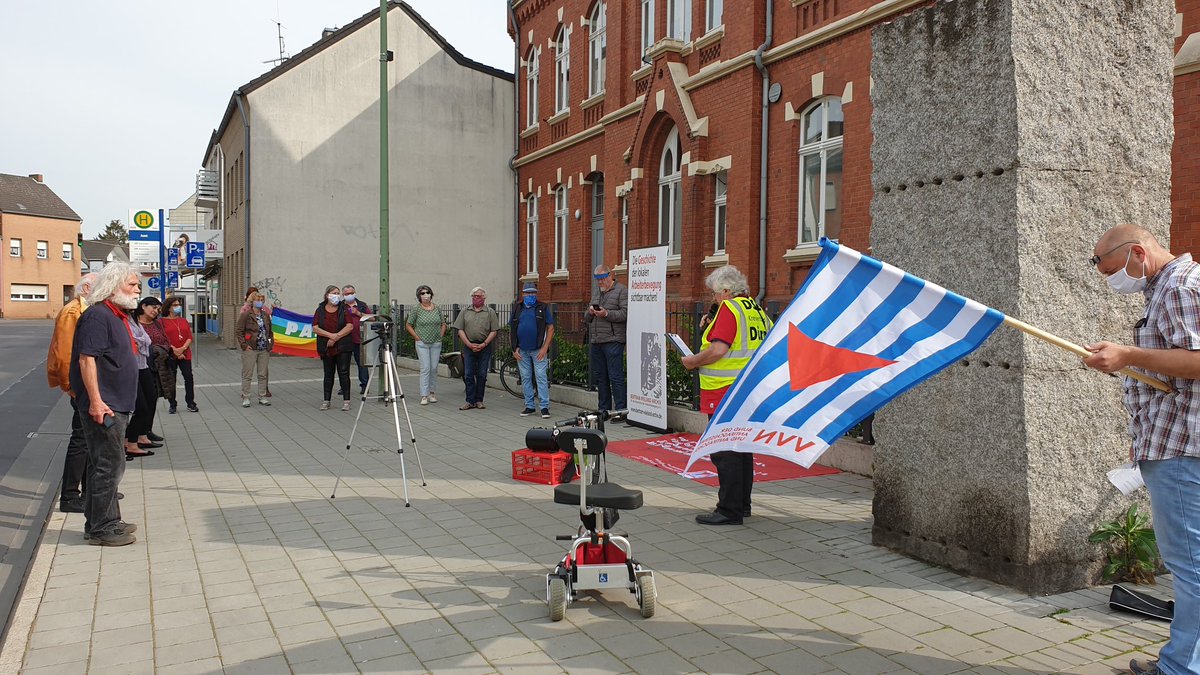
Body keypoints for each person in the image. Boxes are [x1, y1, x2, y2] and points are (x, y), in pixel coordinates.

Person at [1082, 224, 1200, 675]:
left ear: (1137, 252)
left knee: (1191, 571)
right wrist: (1127, 365)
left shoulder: (1182, 287)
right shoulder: (1169, 288)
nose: (1113, 281)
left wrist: (1129, 355)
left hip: (1182, 452)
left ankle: (1182, 669)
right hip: (1176, 447)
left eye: (1112, 271)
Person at [682, 266, 773, 526]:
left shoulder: (729, 309)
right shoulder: (756, 309)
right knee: (742, 449)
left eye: (714, 293)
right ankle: (742, 505)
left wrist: (692, 361)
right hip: (747, 388)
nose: (713, 299)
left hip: (724, 390)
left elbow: (719, 350)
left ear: (725, 290)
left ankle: (729, 509)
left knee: (724, 450)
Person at [68, 262, 141, 546]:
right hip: (105, 404)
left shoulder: (116, 314)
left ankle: (108, 520)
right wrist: (96, 402)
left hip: (117, 402)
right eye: (132, 284)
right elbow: (87, 359)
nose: (137, 289)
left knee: (109, 463)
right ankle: (101, 528)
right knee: (108, 465)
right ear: (113, 286)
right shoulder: (98, 316)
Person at [46, 272, 98, 513]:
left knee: (91, 441)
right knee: (81, 440)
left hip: (88, 385)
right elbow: (65, 353)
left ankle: (91, 490)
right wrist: (71, 386)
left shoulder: (88, 310)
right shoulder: (72, 312)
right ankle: (69, 496)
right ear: (86, 288)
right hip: (80, 387)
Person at [586, 265, 628, 414]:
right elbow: (586, 318)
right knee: (601, 377)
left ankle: (621, 410)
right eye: (597, 279)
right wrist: (591, 312)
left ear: (610, 275)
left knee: (615, 376)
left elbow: (625, 314)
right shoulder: (597, 292)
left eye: (603, 278)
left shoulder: (621, 290)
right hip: (597, 340)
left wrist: (606, 314)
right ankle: (603, 410)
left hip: (613, 340)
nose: (600, 282)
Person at [124, 298, 163, 460]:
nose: (156, 311)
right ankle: (130, 442)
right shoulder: (125, 320)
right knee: (141, 407)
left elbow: (145, 341)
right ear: (143, 306)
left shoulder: (135, 321)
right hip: (132, 368)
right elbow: (135, 341)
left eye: (158, 309)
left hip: (143, 365)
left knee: (151, 399)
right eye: (153, 308)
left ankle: (141, 436)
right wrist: (141, 341)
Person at [510, 282, 555, 419]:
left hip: (538, 350)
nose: (531, 295)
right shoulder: (517, 307)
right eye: (528, 293)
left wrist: (545, 347)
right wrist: (513, 348)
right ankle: (529, 406)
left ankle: (544, 407)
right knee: (526, 378)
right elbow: (512, 328)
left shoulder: (542, 307)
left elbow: (551, 328)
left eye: (533, 293)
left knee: (541, 377)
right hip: (522, 350)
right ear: (523, 294)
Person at [452, 286, 500, 410]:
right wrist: (468, 344)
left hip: (484, 346)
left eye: (478, 296)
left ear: (483, 298)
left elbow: (494, 331)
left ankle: (479, 400)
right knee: (468, 374)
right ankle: (470, 400)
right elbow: (460, 329)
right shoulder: (465, 311)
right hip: (469, 346)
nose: (475, 298)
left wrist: (484, 344)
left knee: (482, 374)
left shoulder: (490, 312)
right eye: (473, 296)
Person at [312, 284, 354, 411]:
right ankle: (326, 400)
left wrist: (336, 337)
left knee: (344, 372)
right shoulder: (320, 309)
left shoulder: (344, 308)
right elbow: (315, 327)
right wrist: (330, 336)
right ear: (327, 295)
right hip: (327, 346)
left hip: (343, 346)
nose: (336, 296)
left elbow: (350, 325)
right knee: (328, 374)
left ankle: (346, 401)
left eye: (337, 293)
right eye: (333, 293)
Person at [405, 284, 446, 405]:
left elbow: (443, 323)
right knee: (425, 368)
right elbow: (408, 324)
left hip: (436, 342)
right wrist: (417, 337)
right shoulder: (416, 309)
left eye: (427, 293)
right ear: (419, 296)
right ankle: (424, 395)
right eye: (422, 293)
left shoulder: (437, 308)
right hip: (422, 342)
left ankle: (432, 393)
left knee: (434, 368)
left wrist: (441, 335)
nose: (425, 295)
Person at [160, 296, 198, 413]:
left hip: (185, 353)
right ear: (169, 308)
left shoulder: (183, 320)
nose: (178, 307)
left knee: (188, 377)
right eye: (175, 305)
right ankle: (172, 403)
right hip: (170, 354)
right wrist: (175, 350)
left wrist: (182, 349)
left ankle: (190, 402)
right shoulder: (161, 322)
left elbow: (189, 337)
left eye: (178, 305)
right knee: (172, 379)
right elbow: (162, 339)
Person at [236, 292, 273, 408]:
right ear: (252, 301)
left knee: (262, 374)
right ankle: (246, 396)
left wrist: (270, 344)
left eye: (262, 299)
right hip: (250, 348)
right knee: (248, 373)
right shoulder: (246, 315)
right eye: (258, 299)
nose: (260, 301)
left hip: (263, 348)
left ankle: (262, 396)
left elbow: (270, 332)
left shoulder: (265, 315)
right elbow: (239, 331)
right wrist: (244, 345)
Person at [342, 284, 371, 395]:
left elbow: (371, 318)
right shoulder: (340, 306)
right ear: (343, 295)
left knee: (362, 364)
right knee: (344, 364)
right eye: (347, 293)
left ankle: (364, 385)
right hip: (345, 339)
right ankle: (344, 386)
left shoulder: (361, 305)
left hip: (359, 339)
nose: (350, 295)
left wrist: (358, 313)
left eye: (352, 293)